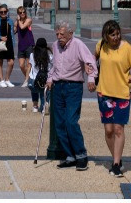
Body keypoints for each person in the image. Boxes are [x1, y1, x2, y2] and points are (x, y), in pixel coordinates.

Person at [47, 20, 98, 171]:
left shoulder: (78, 44)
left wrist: (91, 78)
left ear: (70, 34)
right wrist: (50, 79)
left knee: (71, 121)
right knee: (59, 123)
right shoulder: (55, 46)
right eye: (57, 34)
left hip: (73, 87)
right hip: (58, 86)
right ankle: (69, 156)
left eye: (62, 34)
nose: (59, 37)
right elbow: (54, 66)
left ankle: (81, 155)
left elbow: (91, 62)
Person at [93, 20, 131, 178]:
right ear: (105, 36)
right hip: (104, 92)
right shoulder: (100, 46)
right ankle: (116, 157)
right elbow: (92, 60)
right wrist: (90, 73)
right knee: (108, 130)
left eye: (118, 34)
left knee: (119, 129)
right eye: (112, 35)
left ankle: (116, 164)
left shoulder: (126, 47)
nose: (116, 37)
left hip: (122, 93)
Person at [0, 4, 16, 86]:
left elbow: (12, 32)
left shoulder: (10, 21)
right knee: (0, 62)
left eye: (5, 11)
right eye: (1, 12)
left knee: (11, 62)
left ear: (7, 11)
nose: (3, 13)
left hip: (9, 43)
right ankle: (1, 80)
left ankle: (7, 79)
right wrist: (0, 37)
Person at [27, 37, 51, 113]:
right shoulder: (49, 57)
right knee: (43, 92)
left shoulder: (32, 55)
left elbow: (29, 67)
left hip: (33, 81)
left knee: (35, 91)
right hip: (45, 80)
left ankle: (35, 106)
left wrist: (26, 79)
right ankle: (44, 106)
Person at [16, 6, 35, 84]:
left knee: (28, 65)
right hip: (21, 45)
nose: (22, 13)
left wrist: (18, 20)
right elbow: (14, 30)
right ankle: (28, 78)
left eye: (24, 12)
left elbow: (22, 27)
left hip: (29, 44)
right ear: (18, 14)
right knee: (21, 65)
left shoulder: (28, 20)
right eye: (20, 12)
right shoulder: (17, 22)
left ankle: (26, 80)